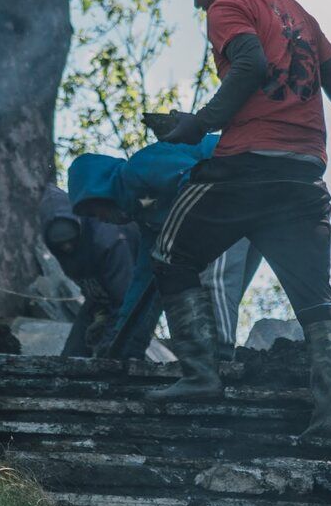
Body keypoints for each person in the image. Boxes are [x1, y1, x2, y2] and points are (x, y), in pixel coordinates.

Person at [143, 0, 331, 438]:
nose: (197, 3)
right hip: (303, 173)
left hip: (244, 167)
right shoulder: (296, 12)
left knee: (168, 256)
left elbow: (250, 65)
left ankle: (200, 375)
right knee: (315, 301)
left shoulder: (229, 5)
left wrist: (198, 124)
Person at [67, 141, 257, 359]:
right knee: (210, 279)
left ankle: (216, 356)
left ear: (100, 191)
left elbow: (197, 180)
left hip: (236, 182)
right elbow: (144, 280)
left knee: (213, 278)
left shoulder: (139, 167)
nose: (101, 220)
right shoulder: (148, 219)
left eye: (94, 211)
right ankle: (212, 355)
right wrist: (122, 341)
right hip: (253, 199)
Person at [37, 182, 135, 357]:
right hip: (102, 299)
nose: (67, 247)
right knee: (72, 355)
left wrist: (109, 338)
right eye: (61, 244)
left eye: (70, 240)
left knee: (116, 353)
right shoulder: (60, 249)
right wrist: (99, 316)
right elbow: (91, 286)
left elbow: (126, 300)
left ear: (78, 228)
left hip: (139, 289)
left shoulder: (108, 242)